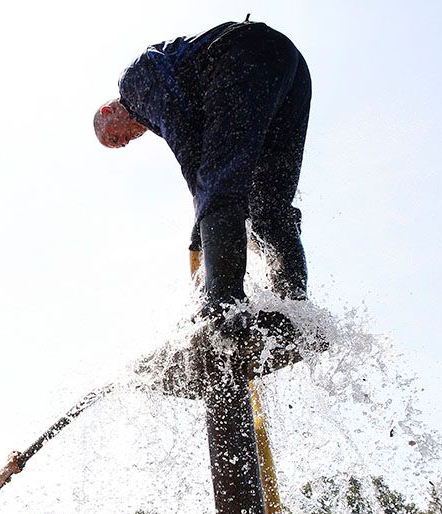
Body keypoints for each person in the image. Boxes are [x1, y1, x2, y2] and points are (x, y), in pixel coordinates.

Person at [94, 17, 312, 322]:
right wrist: (202, 213)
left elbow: (192, 150)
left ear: (108, 111)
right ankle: (296, 309)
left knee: (218, 185)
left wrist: (202, 212)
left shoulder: (133, 83)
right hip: (290, 67)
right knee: (268, 206)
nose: (126, 141)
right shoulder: (152, 108)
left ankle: (223, 309)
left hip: (241, 55)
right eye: (121, 144)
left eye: (116, 137)